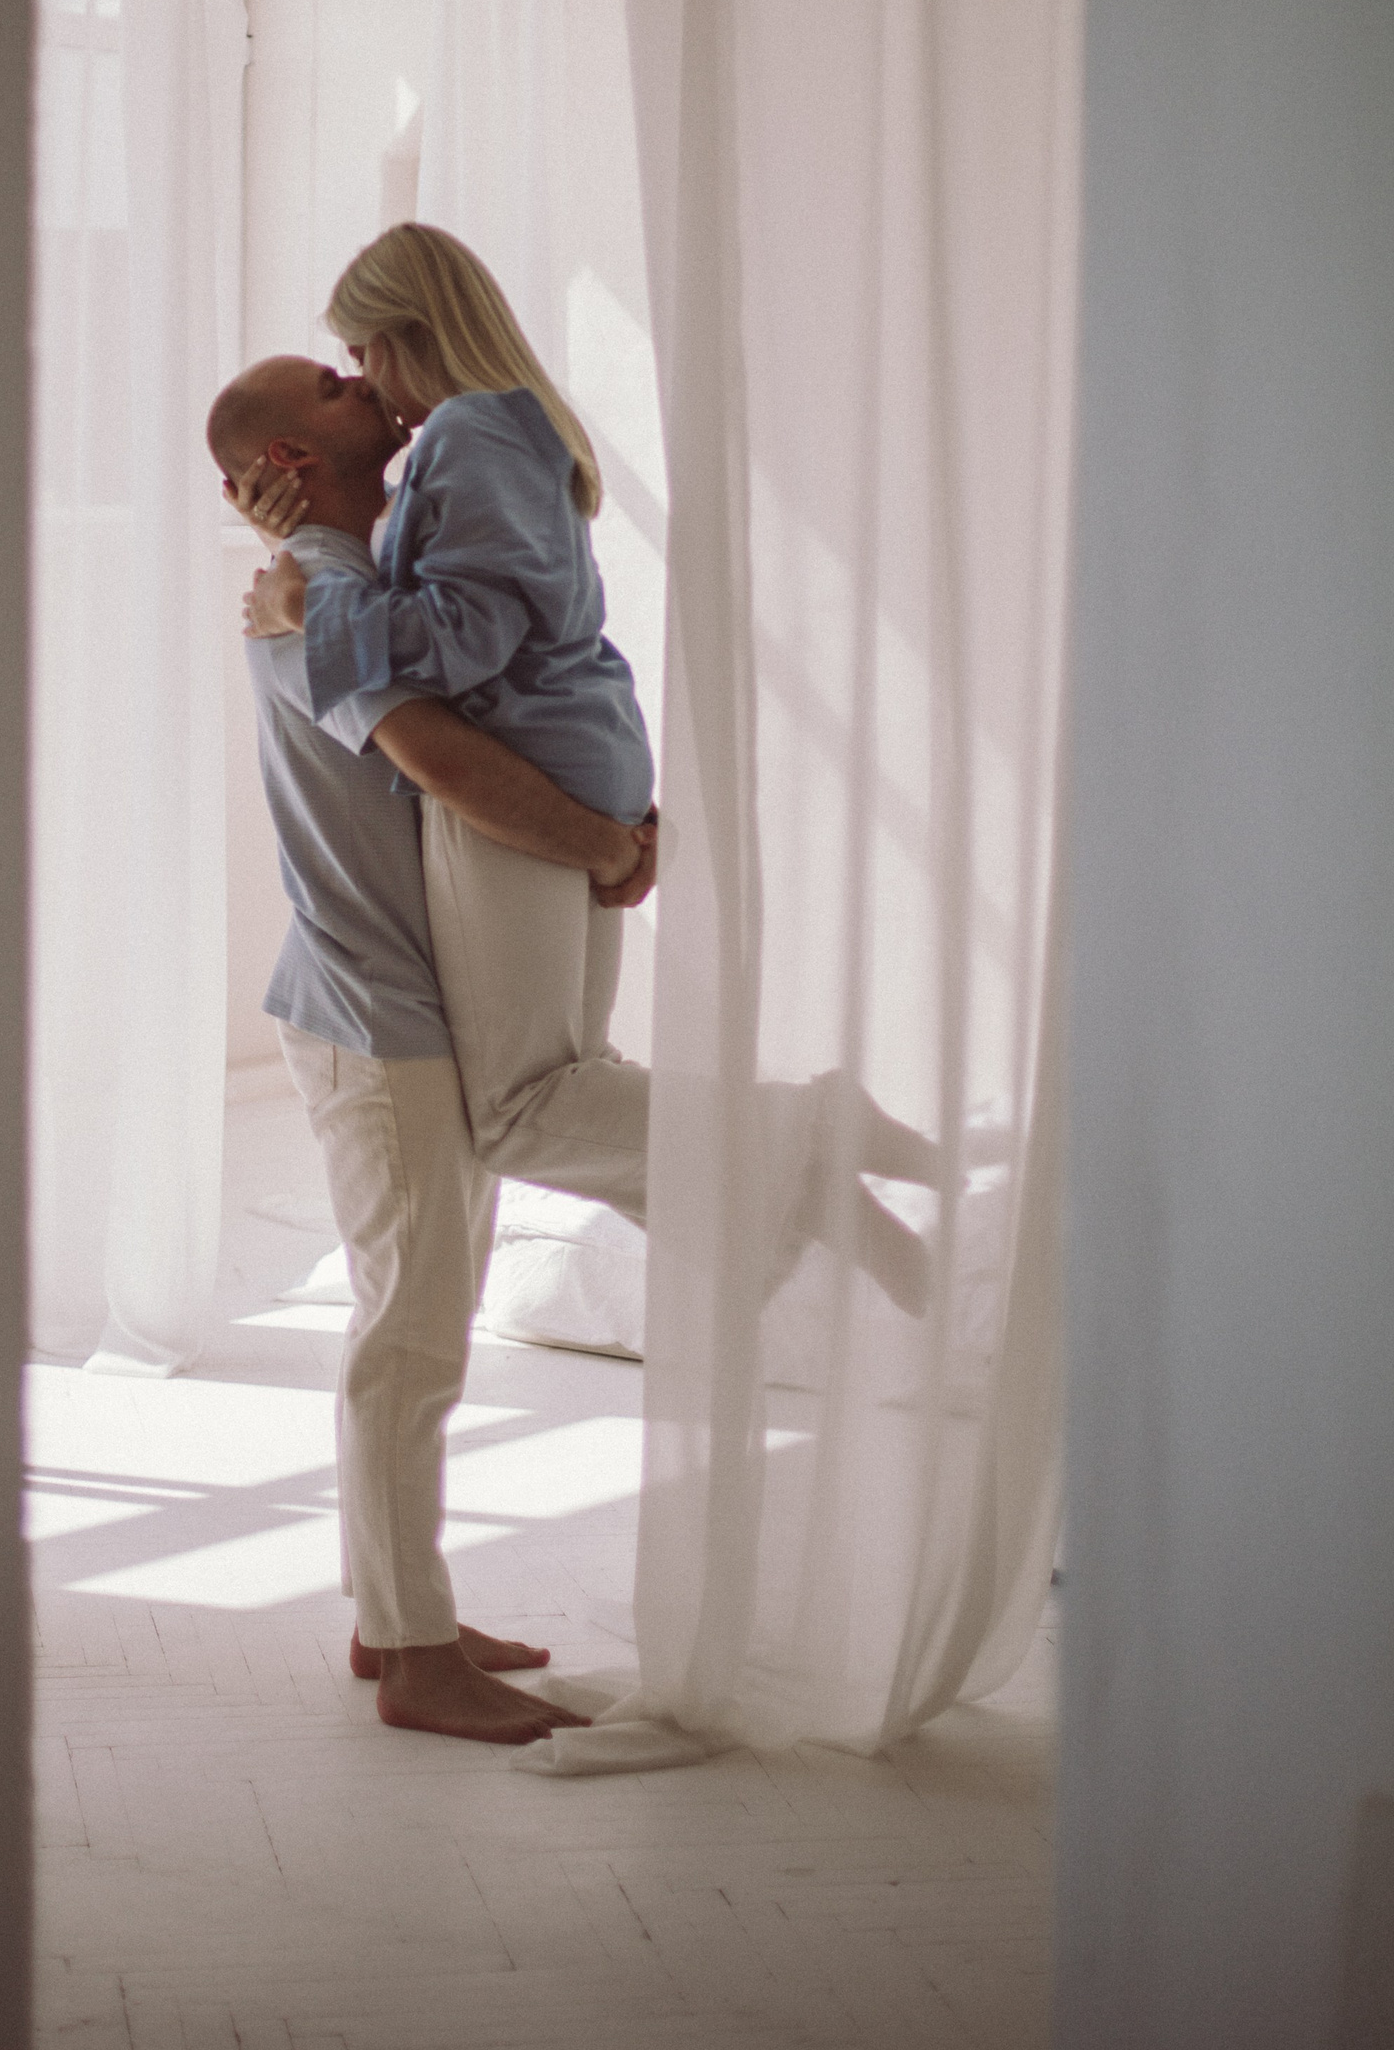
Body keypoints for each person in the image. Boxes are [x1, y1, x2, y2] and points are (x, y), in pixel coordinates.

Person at [236, 224, 940, 1310]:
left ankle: (809, 1132)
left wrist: (307, 601)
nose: (364, 380)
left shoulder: (466, 434)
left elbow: (463, 638)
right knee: (577, 1080)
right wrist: (293, 550)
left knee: (519, 1112)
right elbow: (429, 586)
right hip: (586, 755)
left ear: (411, 330)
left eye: (359, 354)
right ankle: (811, 1206)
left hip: (526, 778)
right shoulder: (512, 428)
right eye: (340, 377)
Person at [205, 349, 656, 1747]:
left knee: (419, 1326)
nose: (362, 380)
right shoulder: (316, 596)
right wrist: (610, 848)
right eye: (329, 385)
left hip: (402, 1006)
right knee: (409, 1338)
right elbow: (453, 764)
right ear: (287, 463)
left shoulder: (352, 580)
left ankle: (397, 1614)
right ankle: (410, 1654)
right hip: (373, 1012)